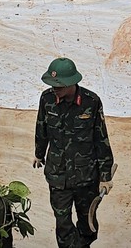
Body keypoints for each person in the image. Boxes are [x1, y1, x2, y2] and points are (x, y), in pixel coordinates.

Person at [34, 57, 114, 248]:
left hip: (86, 176)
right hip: (58, 175)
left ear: (72, 83)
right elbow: (41, 129)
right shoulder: (46, 99)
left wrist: (105, 175)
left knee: (88, 225)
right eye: (52, 85)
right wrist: (39, 153)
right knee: (63, 226)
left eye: (59, 85)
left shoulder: (91, 102)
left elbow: (101, 139)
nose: (55, 89)